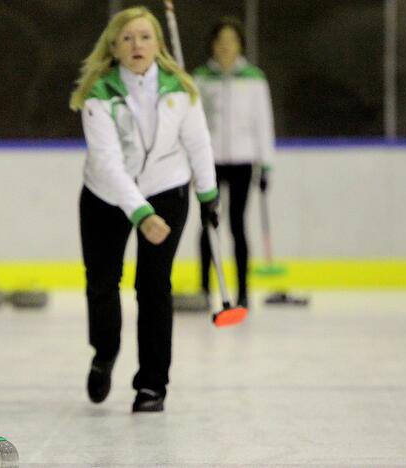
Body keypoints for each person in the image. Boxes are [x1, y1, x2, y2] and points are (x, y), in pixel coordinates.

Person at [69, 6, 218, 413]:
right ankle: (105, 351)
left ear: (158, 45)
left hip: (167, 190)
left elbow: (199, 142)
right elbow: (107, 163)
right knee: (102, 282)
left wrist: (208, 195)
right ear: (114, 47)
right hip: (105, 195)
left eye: (145, 37)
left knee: (154, 288)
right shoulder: (99, 94)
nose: (137, 45)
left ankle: (152, 384)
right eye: (128, 38)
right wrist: (140, 213)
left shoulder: (180, 89)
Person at [193, 17, 275, 308]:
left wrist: (265, 164)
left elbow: (263, 122)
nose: (226, 47)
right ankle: (204, 288)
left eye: (231, 41)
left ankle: (242, 291)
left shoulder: (253, 78)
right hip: (209, 161)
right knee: (208, 225)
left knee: (238, 225)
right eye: (221, 41)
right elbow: (191, 124)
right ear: (212, 45)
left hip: (242, 160)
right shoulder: (200, 78)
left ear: (240, 45)